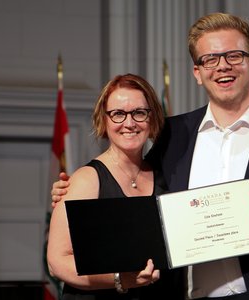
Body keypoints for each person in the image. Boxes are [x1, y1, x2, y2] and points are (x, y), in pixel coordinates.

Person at [52, 13, 249, 299]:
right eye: (210, 59)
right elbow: (137, 188)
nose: (222, 67)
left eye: (234, 56)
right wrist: (73, 192)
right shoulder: (173, 134)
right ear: (197, 72)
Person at [47, 73, 175, 299]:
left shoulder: (165, 177)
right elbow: (57, 262)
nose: (129, 122)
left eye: (139, 112)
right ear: (103, 120)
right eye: (118, 114)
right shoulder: (87, 179)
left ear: (152, 118)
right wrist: (121, 279)